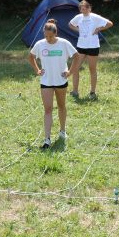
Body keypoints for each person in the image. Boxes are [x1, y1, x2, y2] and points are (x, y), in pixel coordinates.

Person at [29, 19, 79, 149]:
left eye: (50, 36)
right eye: (46, 36)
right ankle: (47, 139)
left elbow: (76, 56)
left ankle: (62, 131)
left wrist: (70, 72)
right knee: (48, 109)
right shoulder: (40, 44)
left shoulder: (64, 43)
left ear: (55, 33)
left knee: (61, 106)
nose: (48, 39)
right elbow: (31, 56)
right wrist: (37, 70)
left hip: (61, 81)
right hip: (46, 81)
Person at [68, 0, 113, 100]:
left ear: (89, 8)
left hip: (93, 46)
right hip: (81, 46)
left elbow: (110, 23)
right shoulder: (78, 17)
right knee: (75, 68)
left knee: (92, 69)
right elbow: (70, 24)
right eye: (81, 9)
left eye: (85, 8)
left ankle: (92, 92)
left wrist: (98, 29)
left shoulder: (95, 17)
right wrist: (78, 30)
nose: (83, 10)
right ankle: (75, 91)